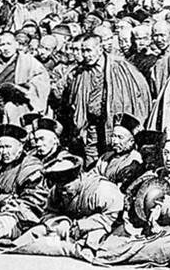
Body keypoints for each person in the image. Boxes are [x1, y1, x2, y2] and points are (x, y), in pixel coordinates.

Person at [61, 32, 150, 168]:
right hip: (92, 126)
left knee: (115, 158)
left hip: (115, 124)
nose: (86, 55)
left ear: (100, 49)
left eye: (89, 50)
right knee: (91, 159)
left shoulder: (120, 67)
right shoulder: (82, 72)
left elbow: (141, 92)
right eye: (83, 51)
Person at [0, 30, 50, 124]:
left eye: (9, 44)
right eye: (2, 44)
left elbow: (41, 80)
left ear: (16, 45)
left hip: (17, 110)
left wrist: (23, 89)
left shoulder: (28, 61)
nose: (6, 48)